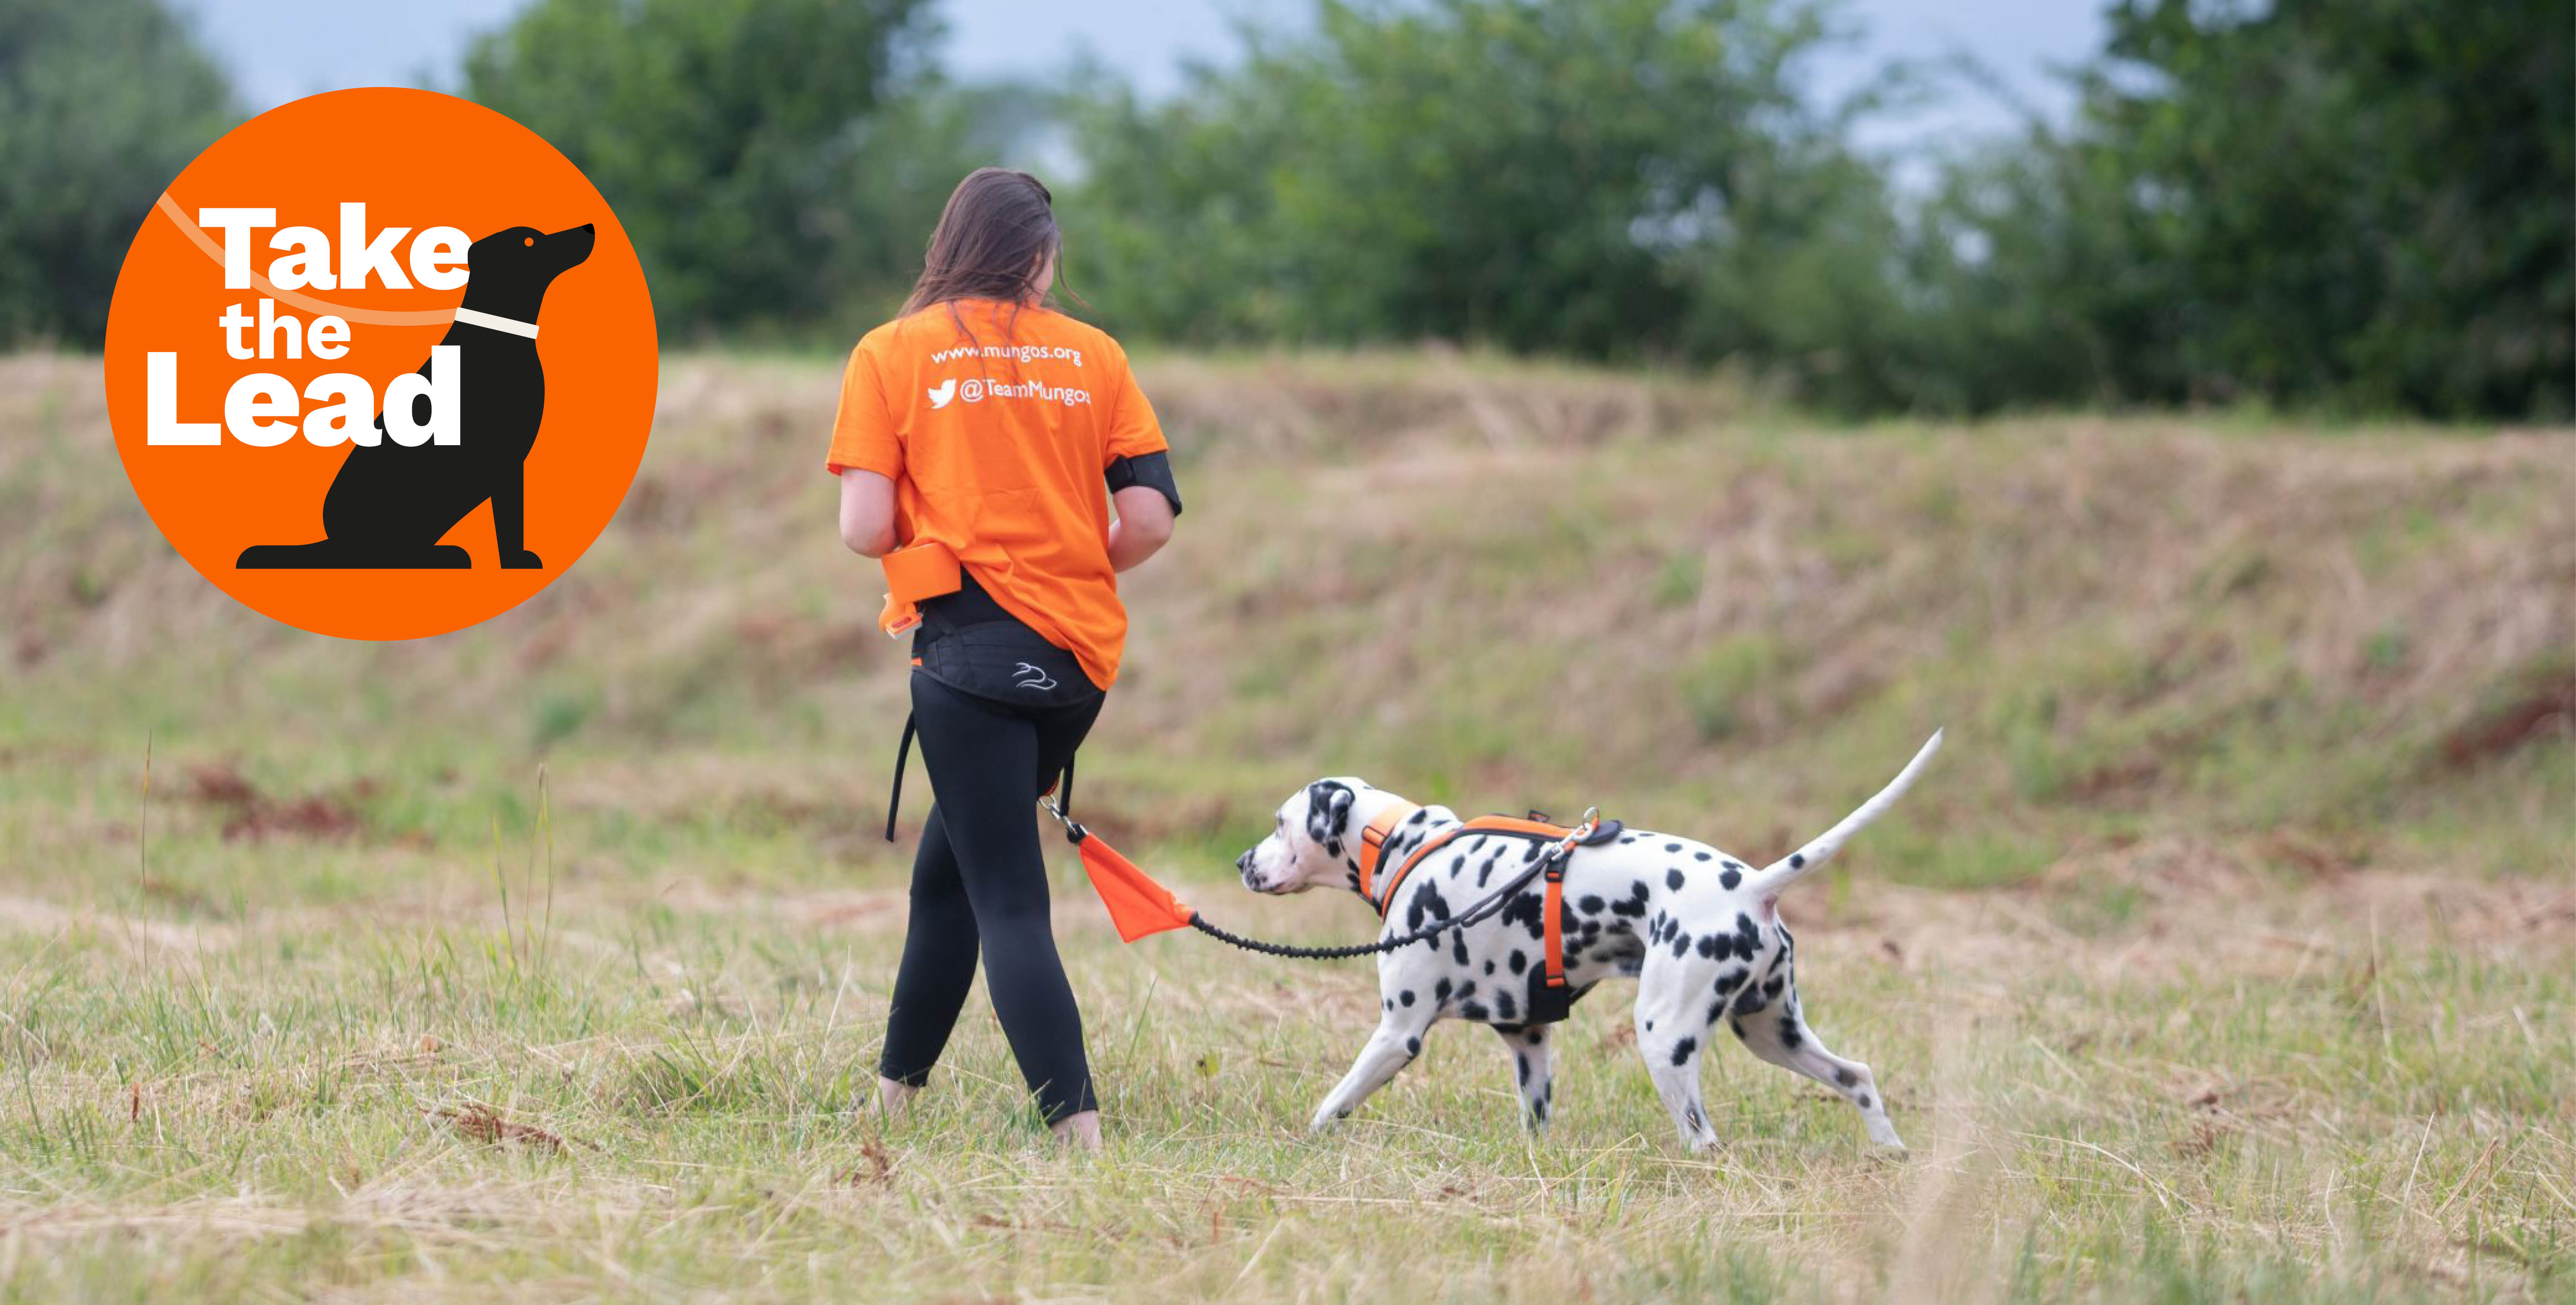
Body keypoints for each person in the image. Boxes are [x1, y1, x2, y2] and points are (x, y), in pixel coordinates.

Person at [826, 167, 1181, 1149]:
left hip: (969, 663)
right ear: (1037, 257)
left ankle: (1079, 1134)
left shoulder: (890, 354)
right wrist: (1073, 560)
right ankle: (893, 1097)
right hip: (1077, 665)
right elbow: (1147, 518)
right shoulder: (1097, 356)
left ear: (949, 247)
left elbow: (862, 529)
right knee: (951, 878)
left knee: (1008, 900)